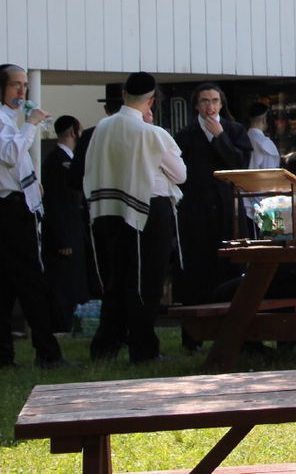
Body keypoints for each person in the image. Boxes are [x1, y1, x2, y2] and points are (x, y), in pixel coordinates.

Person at [83, 71, 185, 364]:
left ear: (125, 94)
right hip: (146, 209)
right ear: (151, 100)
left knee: (115, 281)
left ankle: (106, 346)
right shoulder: (151, 133)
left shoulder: (103, 126)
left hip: (108, 210)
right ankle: (143, 349)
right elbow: (180, 174)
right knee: (145, 283)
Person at [0, 63, 67, 368]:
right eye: (16, 85)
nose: (22, 91)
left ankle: (7, 355)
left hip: (19, 203)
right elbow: (11, 156)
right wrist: (31, 124)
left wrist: (32, 184)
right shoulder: (7, 120)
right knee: (30, 282)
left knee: (10, 284)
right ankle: (47, 352)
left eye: (24, 85)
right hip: (9, 210)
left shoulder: (9, 118)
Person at [173, 82, 252, 311]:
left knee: (232, 264)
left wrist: (220, 138)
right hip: (197, 208)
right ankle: (196, 328)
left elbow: (239, 164)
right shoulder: (185, 135)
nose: (211, 106)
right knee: (199, 264)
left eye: (215, 100)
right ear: (197, 106)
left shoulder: (234, 130)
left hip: (228, 207)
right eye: (205, 101)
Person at [41, 114, 90, 334]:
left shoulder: (71, 159)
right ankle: (60, 325)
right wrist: (63, 238)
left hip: (74, 230)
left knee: (74, 281)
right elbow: (55, 203)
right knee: (62, 282)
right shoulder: (56, 161)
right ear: (73, 131)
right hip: (64, 235)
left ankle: (71, 323)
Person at [242, 102, 280, 226]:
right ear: (264, 119)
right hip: (262, 199)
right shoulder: (265, 144)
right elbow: (270, 177)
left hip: (244, 199)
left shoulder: (243, 139)